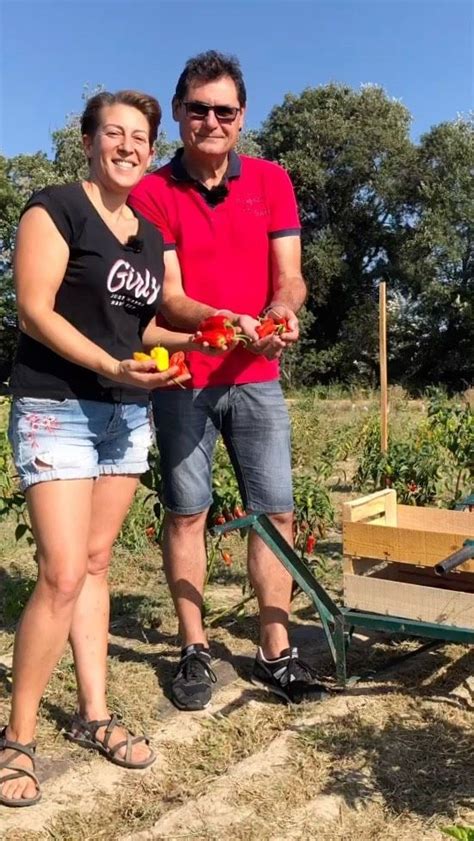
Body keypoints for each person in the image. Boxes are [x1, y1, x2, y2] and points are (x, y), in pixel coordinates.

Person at [0, 89, 211, 808]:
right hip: (57, 407)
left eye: (140, 136)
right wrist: (107, 365)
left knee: (95, 563)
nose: (128, 145)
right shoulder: (54, 208)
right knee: (61, 572)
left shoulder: (148, 234)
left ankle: (94, 714)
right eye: (113, 132)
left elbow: (142, 330)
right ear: (89, 141)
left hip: (125, 413)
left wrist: (216, 334)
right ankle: (18, 737)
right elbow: (34, 309)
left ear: (151, 149)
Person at [129, 51, 327, 712]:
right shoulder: (153, 193)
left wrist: (281, 311)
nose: (211, 120)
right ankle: (194, 646)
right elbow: (173, 295)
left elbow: (289, 273)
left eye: (224, 110)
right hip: (186, 374)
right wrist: (226, 320)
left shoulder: (271, 180)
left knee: (274, 512)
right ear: (180, 114)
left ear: (242, 117)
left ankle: (277, 648)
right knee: (189, 510)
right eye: (197, 109)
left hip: (258, 375)